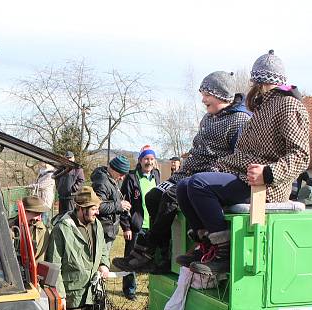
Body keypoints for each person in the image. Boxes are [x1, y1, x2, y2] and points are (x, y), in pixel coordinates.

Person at [175, 50, 310, 274]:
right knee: (184, 186)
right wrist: (221, 166)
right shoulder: (262, 107)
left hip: (265, 184)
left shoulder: (288, 105)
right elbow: (245, 152)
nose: (252, 85)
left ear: (263, 81)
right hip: (243, 174)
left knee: (199, 185)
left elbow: (301, 155)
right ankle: (206, 245)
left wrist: (268, 173)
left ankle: (225, 254)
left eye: (256, 80)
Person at [116, 72, 251, 273]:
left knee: (171, 197)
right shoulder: (207, 118)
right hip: (187, 171)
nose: (203, 99)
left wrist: (212, 171)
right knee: (153, 196)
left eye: (207, 94)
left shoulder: (240, 120)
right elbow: (197, 150)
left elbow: (239, 157)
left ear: (222, 95)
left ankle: (148, 251)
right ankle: (161, 255)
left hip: (209, 174)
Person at [45, 186, 110, 310]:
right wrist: (60, 295)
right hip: (71, 294)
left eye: (97, 207)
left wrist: (104, 264)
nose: (97, 211)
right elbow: (54, 263)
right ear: (80, 208)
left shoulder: (96, 224)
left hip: (90, 292)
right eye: (93, 208)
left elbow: (103, 248)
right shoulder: (62, 229)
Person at [120, 146, 160, 298]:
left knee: (152, 258)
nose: (148, 162)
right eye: (146, 159)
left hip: (153, 226)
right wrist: (126, 226)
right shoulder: (131, 178)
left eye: (151, 159)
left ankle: (154, 288)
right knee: (131, 258)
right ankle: (129, 290)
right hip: (136, 226)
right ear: (140, 160)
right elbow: (124, 203)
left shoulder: (156, 175)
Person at [90, 155, 131, 255]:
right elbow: (98, 206)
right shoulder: (102, 182)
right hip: (103, 230)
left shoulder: (112, 180)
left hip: (109, 230)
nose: (122, 178)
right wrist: (119, 206)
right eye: (121, 174)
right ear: (113, 169)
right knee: (100, 261)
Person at [9, 195, 50, 261]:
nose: (38, 218)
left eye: (40, 214)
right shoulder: (9, 227)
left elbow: (40, 258)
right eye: (35, 213)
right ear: (24, 212)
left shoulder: (42, 230)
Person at [55, 151, 85, 215]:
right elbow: (56, 178)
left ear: (73, 158)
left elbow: (81, 180)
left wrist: (73, 189)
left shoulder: (78, 169)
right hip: (61, 197)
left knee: (71, 217)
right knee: (61, 216)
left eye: (70, 158)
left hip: (71, 198)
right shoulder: (61, 168)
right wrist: (58, 187)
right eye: (67, 158)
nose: (68, 159)